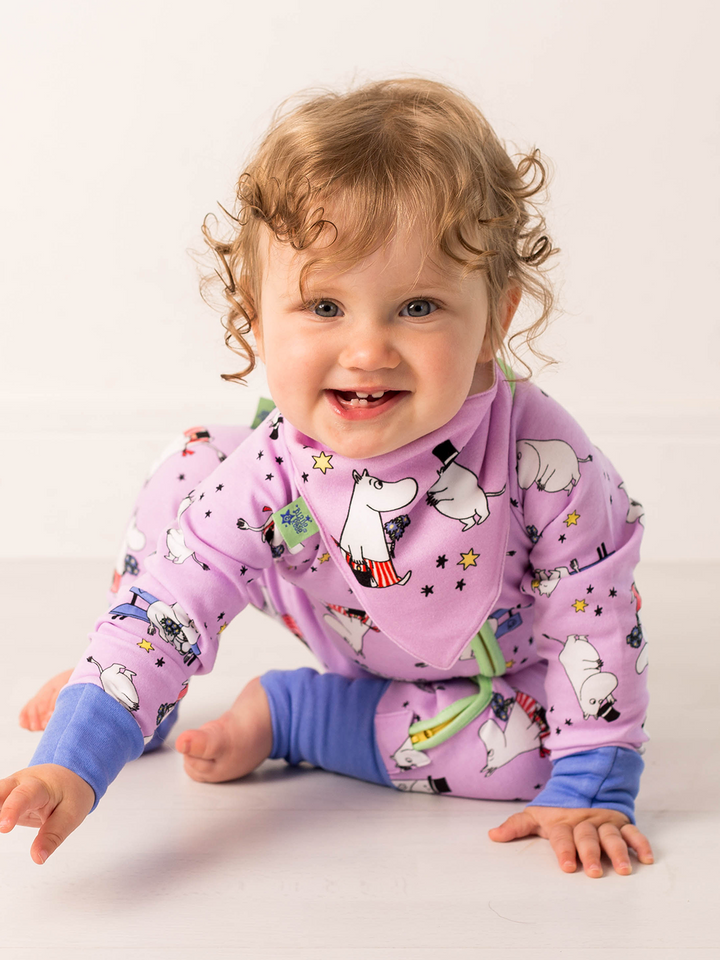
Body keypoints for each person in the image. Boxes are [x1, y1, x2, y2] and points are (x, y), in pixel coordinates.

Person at [2, 77, 654, 878]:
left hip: (492, 663)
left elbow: (594, 617)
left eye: (418, 307)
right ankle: (133, 702)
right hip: (327, 596)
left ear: (496, 318)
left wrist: (591, 784)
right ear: (255, 316)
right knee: (191, 467)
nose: (368, 350)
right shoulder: (271, 469)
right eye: (324, 307)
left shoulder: (545, 455)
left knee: (531, 758)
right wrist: (70, 761)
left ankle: (302, 716)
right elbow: (169, 600)